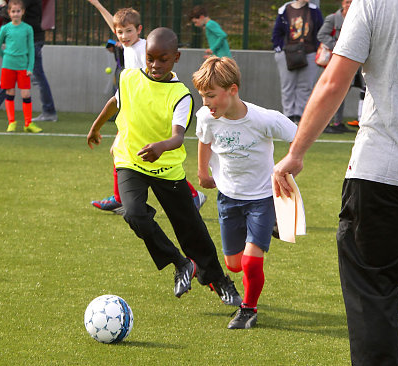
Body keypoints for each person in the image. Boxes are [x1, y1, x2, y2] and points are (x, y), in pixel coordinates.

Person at [273, 0, 398, 364]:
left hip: (379, 173)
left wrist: (296, 152)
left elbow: (334, 81)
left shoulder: (374, 4)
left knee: (372, 292)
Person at [87, 27, 242, 307]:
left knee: (191, 230)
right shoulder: (129, 78)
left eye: (163, 59)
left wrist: (161, 147)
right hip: (130, 162)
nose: (155, 65)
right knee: (134, 214)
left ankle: (219, 281)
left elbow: (178, 136)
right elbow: (115, 102)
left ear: (176, 58)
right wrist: (96, 127)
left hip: (166, 168)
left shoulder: (181, 95)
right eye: (150, 58)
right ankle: (180, 263)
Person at [192, 57, 297, 329]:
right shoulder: (207, 117)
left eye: (211, 96)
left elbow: (298, 136)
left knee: (251, 262)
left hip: (262, 198)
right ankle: (263, 234)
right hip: (228, 197)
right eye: (203, 96)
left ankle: (248, 309)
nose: (206, 103)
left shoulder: (264, 119)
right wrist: (203, 172)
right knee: (234, 265)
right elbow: (204, 140)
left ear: (233, 90)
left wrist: (290, 164)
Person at [87, 3, 207, 214]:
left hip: (147, 104)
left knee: (152, 160)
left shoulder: (144, 48)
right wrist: (98, 5)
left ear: (139, 30)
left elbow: (159, 66)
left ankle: (191, 195)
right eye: (120, 32)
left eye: (129, 31)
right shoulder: (128, 46)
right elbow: (114, 25)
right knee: (120, 151)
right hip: (133, 102)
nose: (123, 36)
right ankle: (120, 198)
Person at [0, 0, 56, 122]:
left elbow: (13, 10)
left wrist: (0, 7)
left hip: (31, 41)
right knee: (12, 76)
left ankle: (49, 111)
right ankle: (49, 110)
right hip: (24, 41)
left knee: (37, 76)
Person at [271, 0, 323, 124]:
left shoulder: (314, 10)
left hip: (309, 53)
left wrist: (318, 49)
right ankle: (288, 115)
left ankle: (300, 115)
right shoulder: (284, 9)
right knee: (288, 85)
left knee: (305, 86)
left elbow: (320, 31)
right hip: (288, 53)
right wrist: (278, 48)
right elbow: (277, 32)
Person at [317, 0, 352, 134]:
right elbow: (321, 35)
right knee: (333, 91)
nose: (349, 5)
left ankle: (338, 122)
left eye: (352, 2)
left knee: (344, 92)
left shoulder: (358, 17)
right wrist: (338, 47)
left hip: (351, 60)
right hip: (334, 60)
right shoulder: (332, 18)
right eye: (347, 2)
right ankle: (326, 123)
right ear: (342, 4)